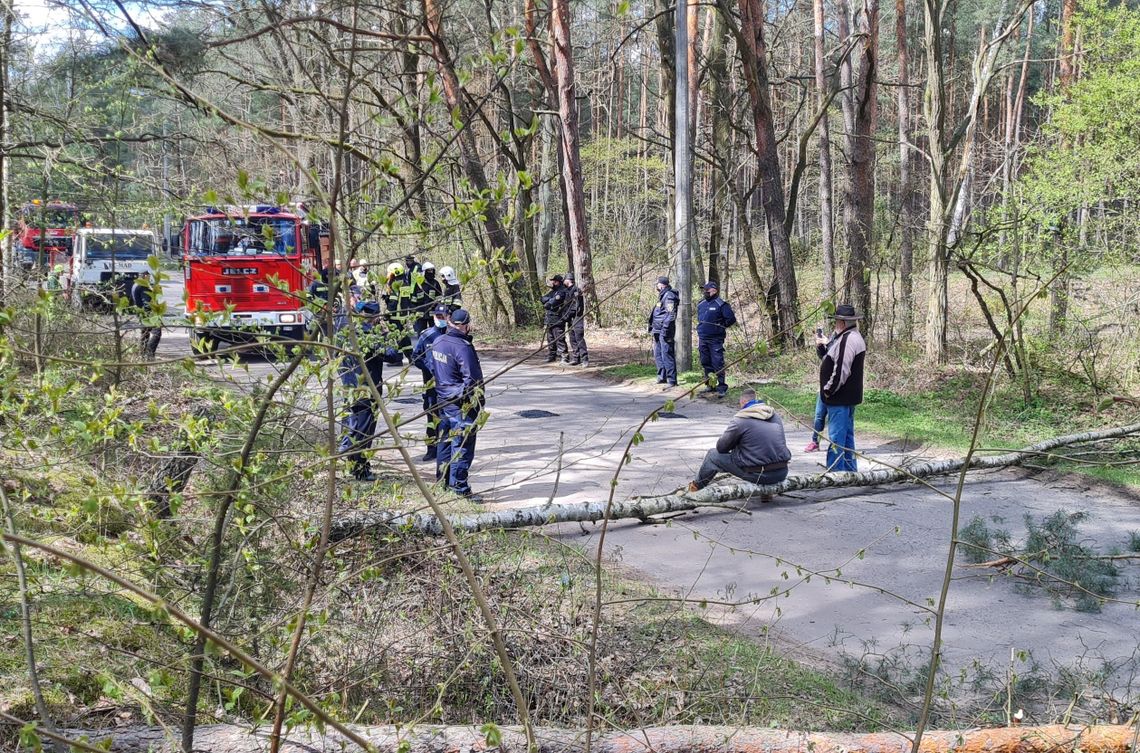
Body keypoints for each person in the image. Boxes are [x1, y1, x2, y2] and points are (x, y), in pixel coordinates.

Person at [687, 388, 791, 501]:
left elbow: (721, 448)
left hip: (759, 475)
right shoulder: (774, 416)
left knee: (713, 455)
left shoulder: (740, 420)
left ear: (743, 402)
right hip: (782, 472)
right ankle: (766, 494)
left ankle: (695, 490)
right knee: (760, 451)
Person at [431, 309, 485, 500]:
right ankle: (459, 487)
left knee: (445, 440)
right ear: (465, 325)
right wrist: (474, 399)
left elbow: (432, 367)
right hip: (461, 403)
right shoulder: (462, 347)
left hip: (443, 399)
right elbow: (472, 379)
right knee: (462, 444)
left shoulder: (438, 341)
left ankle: (443, 480)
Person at [337, 300, 388, 482]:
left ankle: (354, 465)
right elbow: (392, 354)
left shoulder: (345, 333)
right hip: (367, 391)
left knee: (355, 429)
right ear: (375, 318)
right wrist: (385, 335)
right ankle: (360, 469)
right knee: (364, 433)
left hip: (350, 389)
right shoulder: (370, 335)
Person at [815, 304, 867, 473]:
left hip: (840, 397)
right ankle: (850, 472)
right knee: (846, 436)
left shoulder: (847, 339)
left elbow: (842, 370)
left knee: (837, 438)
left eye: (837, 321)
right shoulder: (846, 337)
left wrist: (828, 390)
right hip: (845, 397)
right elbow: (828, 358)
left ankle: (836, 473)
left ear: (843, 322)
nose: (835, 324)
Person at [412, 303, 450, 461]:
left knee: (446, 418)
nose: (440, 319)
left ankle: (445, 449)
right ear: (434, 317)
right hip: (430, 384)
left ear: (448, 317)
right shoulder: (426, 335)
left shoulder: (451, 335)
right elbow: (416, 357)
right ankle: (431, 449)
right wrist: (428, 367)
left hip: (447, 385)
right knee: (431, 416)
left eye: (443, 317)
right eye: (438, 317)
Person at [696, 281, 737, 396]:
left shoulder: (721, 304)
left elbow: (731, 319)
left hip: (715, 339)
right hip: (703, 337)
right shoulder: (701, 304)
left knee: (717, 362)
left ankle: (722, 387)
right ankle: (710, 385)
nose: (704, 292)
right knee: (705, 362)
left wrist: (721, 326)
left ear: (714, 291)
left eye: (706, 290)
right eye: (704, 290)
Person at [648, 275, 680, 388]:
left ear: (662, 285)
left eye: (657, 284)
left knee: (667, 354)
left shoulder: (669, 296)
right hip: (657, 330)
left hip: (665, 331)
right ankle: (662, 377)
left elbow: (671, 315)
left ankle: (672, 380)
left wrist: (665, 329)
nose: (656, 286)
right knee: (658, 354)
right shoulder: (662, 295)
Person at [130, 270, 162, 360]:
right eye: (148, 276)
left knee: (145, 334)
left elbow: (132, 300)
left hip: (140, 313)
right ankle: (150, 354)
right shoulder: (143, 286)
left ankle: (142, 353)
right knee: (157, 333)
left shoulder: (135, 285)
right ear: (145, 276)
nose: (149, 278)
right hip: (148, 314)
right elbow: (147, 303)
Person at [541, 274, 572, 363]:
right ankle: (552, 355)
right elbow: (543, 299)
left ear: (558, 282)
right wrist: (549, 300)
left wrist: (549, 301)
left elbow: (553, 302)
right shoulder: (553, 291)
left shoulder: (562, 291)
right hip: (550, 319)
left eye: (554, 281)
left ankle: (564, 357)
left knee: (559, 338)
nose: (553, 282)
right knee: (550, 338)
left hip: (558, 318)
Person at [561, 273, 589, 366]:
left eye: (564, 280)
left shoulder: (576, 291)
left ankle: (585, 359)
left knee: (579, 338)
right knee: (572, 338)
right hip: (570, 319)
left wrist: (567, 315)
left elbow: (576, 306)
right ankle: (576, 358)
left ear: (568, 280)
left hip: (577, 318)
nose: (563, 282)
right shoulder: (567, 291)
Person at [410, 261, 443, 334]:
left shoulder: (435, 283)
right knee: (421, 334)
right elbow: (413, 300)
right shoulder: (418, 284)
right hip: (421, 315)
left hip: (433, 314)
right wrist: (413, 313)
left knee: (434, 333)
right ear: (424, 272)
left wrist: (439, 310)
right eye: (428, 270)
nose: (430, 272)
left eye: (432, 270)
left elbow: (440, 298)